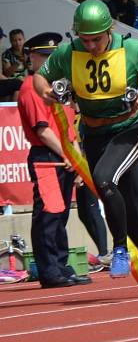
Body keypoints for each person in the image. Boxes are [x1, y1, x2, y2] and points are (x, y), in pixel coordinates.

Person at [34, 0, 138, 296]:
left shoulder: (134, 49)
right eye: (85, 39)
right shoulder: (68, 53)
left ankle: (120, 249)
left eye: (96, 39)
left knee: (104, 180)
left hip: (128, 130)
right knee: (130, 213)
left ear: (109, 30)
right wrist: (47, 92)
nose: (91, 45)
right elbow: (38, 77)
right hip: (94, 132)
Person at [18, 32, 91, 288]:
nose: (50, 61)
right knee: (49, 215)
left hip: (62, 155)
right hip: (48, 156)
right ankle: (50, 271)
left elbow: (70, 128)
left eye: (53, 57)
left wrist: (78, 161)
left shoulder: (58, 88)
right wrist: (67, 155)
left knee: (60, 216)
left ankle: (61, 266)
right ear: (32, 58)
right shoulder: (31, 87)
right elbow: (42, 130)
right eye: (44, 57)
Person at [0, 27, 23, 102]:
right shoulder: (7, 54)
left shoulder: (28, 52)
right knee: (18, 84)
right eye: (14, 40)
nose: (18, 43)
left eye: (20, 40)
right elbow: (6, 74)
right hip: (10, 80)